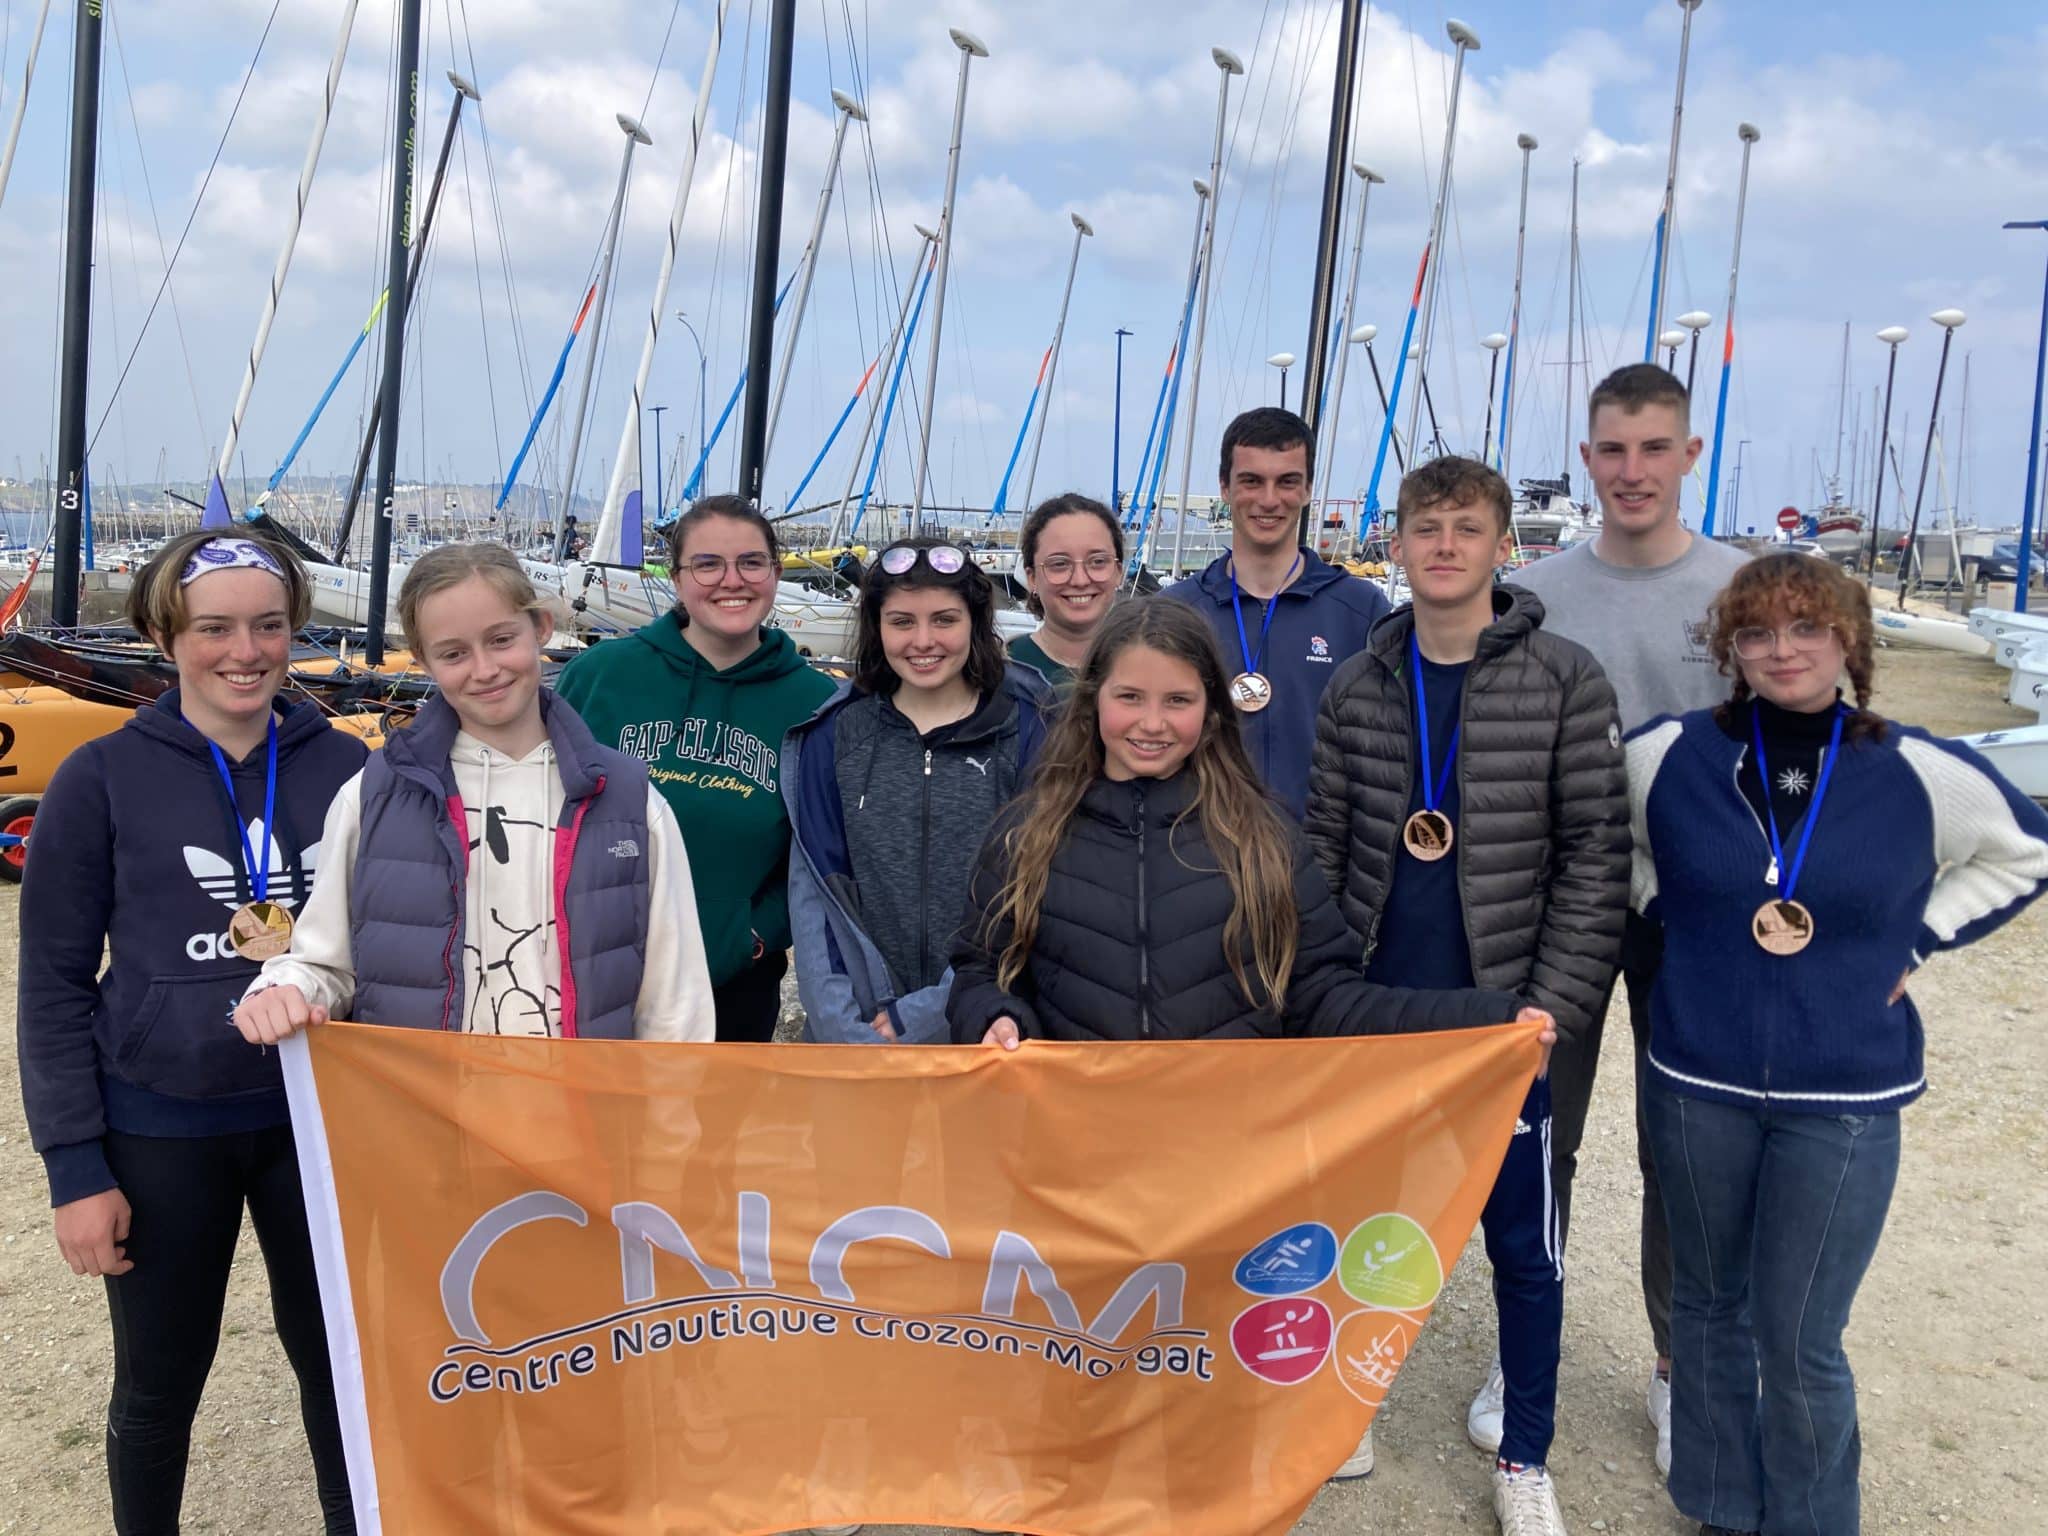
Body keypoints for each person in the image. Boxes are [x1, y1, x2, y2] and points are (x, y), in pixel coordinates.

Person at [1626, 554, 2048, 1535]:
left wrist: (1918, 938)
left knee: (1800, 1333)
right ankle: (1719, 1508)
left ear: (1848, 639)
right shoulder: (1667, 755)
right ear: (1730, 649)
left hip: (1843, 1099)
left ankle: (1811, 1519)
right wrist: (1673, 915)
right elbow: (1609, 847)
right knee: (1706, 1308)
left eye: (1806, 628)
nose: (1782, 651)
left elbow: (2024, 851)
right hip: (1696, 1079)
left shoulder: (1914, 769)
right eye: (1757, 633)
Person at [17, 531, 364, 1533]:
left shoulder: (349, 767)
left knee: (341, 1373)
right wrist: (75, 1170)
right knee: (159, 1384)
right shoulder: (99, 776)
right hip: (160, 1126)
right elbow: (51, 987)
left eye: (268, 626)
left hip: (322, 1127)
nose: (244, 652)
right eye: (214, 628)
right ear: (166, 635)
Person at [1305, 457, 1627, 1531]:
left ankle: (1524, 1456)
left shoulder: (1565, 678)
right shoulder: (1359, 682)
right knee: (1361, 1220)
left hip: (1504, 1023)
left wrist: (1551, 1009)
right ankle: (1341, 1409)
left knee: (1522, 1249)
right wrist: (1321, 988)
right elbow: (1321, 847)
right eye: (1426, 527)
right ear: (1395, 544)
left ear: (1502, 546)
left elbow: (1594, 856)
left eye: (1466, 528)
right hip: (1379, 1011)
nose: (1444, 546)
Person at [948, 595, 1552, 1055]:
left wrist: (1490, 1019)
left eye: (1178, 701)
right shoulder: (1027, 835)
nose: (1152, 723)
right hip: (1078, 1142)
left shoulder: (1263, 837)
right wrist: (996, 1017)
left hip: (1229, 1149)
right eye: (1129, 697)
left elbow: (1325, 997)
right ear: (1093, 701)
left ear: (1211, 713)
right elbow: (981, 972)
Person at [1508, 362, 1750, 1471]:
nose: (1631, 470)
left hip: (1698, 915)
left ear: (1689, 454)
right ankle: (1525, 1352)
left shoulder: (1744, 587)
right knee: (1540, 1139)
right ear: (1587, 456)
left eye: (1654, 448)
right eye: (1611, 449)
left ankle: (1675, 1363)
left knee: (1682, 1147)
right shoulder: (1535, 593)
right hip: (1558, 902)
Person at [232, 542, 714, 1046]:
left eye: (501, 639)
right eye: (454, 654)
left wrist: (673, 1097)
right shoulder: (371, 796)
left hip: (583, 1095)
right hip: (426, 1095)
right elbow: (325, 965)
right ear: (423, 660)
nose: (484, 670)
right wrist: (281, 989)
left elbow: (674, 1003)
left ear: (541, 628)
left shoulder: (631, 800)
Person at [556, 496, 835, 1042]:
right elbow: (545, 809)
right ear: (677, 577)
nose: (732, 580)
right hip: (590, 972)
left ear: (776, 573)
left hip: (731, 983)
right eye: (707, 564)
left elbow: (823, 852)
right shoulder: (599, 675)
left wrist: (754, 936)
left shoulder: (817, 702)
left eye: (751, 562)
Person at [784, 538, 1053, 1045]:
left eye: (944, 620)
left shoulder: (1028, 729)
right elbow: (816, 893)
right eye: (902, 621)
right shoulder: (834, 735)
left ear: (975, 623)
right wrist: (844, 1030)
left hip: (983, 1025)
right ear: (877, 626)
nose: (923, 641)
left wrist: (932, 1014)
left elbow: (1033, 891)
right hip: (858, 1035)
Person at [1163, 407, 1390, 817]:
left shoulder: (1361, 611)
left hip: (1320, 848)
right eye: (1251, 481)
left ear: (1307, 490)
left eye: (1287, 482)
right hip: (1200, 846)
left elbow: (1389, 746)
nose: (1269, 500)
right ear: (1225, 488)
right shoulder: (1175, 612)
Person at [1008, 491, 1125, 693]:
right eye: (1060, 564)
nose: (1080, 580)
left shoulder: (1150, 665)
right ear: (1032, 578)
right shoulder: (1002, 669)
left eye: (1098, 561)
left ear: (1118, 572)